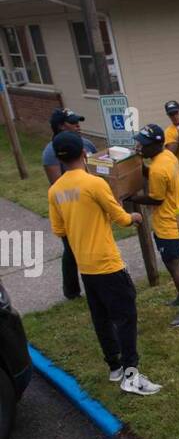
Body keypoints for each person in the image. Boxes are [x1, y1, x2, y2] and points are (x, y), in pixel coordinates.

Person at [47, 131, 160, 396]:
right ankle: (131, 374)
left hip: (85, 265)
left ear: (61, 159)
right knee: (125, 315)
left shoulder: (55, 191)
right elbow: (120, 217)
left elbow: (59, 229)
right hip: (107, 263)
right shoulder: (94, 184)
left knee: (101, 317)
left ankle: (114, 367)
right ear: (84, 154)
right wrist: (135, 217)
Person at [133, 123, 179, 328]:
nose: (140, 148)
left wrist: (132, 197)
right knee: (174, 263)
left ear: (156, 145)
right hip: (178, 216)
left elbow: (156, 199)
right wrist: (141, 168)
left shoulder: (157, 169)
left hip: (167, 224)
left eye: (144, 145)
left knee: (173, 264)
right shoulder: (167, 157)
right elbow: (157, 175)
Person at [42, 108, 97, 301]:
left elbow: (100, 169)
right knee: (72, 248)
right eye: (73, 122)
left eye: (78, 121)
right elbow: (58, 185)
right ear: (60, 126)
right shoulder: (51, 153)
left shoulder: (88, 144)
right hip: (70, 207)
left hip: (91, 202)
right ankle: (71, 290)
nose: (78, 125)